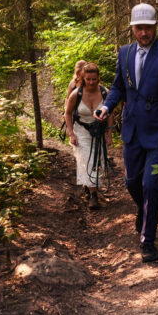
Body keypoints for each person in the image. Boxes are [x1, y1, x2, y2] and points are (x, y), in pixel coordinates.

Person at [95, 3, 158, 262]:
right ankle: (145, 211)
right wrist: (107, 106)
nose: (144, 33)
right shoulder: (124, 53)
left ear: (156, 27)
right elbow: (118, 87)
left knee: (151, 183)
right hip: (132, 129)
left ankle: (148, 241)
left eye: (148, 28)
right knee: (132, 182)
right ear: (132, 28)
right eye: (139, 28)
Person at [65, 62, 109, 209]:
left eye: (94, 79)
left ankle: (90, 186)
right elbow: (68, 113)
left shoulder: (105, 93)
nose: (91, 82)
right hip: (81, 130)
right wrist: (71, 133)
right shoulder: (75, 94)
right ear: (83, 78)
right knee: (86, 159)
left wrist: (109, 133)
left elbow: (110, 113)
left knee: (98, 161)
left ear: (98, 78)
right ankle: (92, 195)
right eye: (88, 79)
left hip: (99, 131)